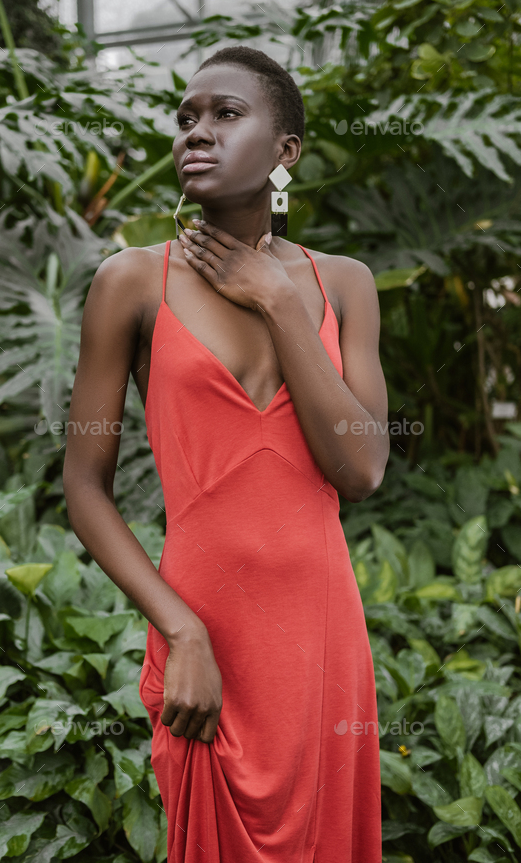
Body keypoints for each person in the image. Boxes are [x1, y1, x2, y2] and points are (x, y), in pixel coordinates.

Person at [63, 45, 389, 863]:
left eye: (225, 114)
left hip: (319, 642)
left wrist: (280, 299)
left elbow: (362, 469)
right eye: (186, 118)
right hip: (202, 633)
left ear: (287, 153)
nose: (195, 134)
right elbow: (84, 485)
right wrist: (182, 631)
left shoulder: (341, 282)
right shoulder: (131, 281)